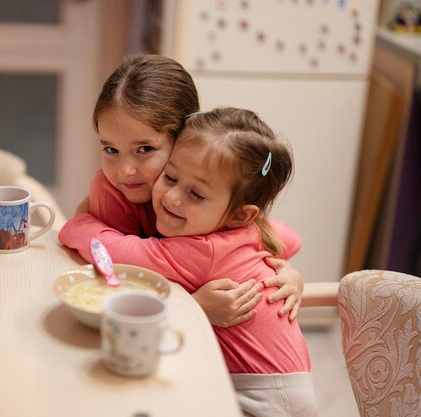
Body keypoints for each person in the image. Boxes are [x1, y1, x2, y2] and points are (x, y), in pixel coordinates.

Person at [60, 107, 317, 417]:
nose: (172, 198)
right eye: (170, 177)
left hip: (262, 397)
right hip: (286, 385)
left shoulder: (202, 251)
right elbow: (292, 239)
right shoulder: (245, 230)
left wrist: (77, 224)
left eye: (195, 194)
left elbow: (114, 252)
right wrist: (288, 268)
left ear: (240, 215)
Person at [80, 54, 303, 326]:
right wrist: (194, 306)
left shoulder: (205, 191)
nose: (125, 170)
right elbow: (111, 284)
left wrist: (287, 273)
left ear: (183, 140)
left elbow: (279, 238)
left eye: (145, 150)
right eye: (111, 150)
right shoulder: (112, 195)